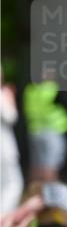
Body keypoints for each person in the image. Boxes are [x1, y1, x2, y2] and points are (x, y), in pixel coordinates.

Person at [23, 68, 67, 182]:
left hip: (34, 130)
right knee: (51, 166)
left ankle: (35, 195)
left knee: (36, 165)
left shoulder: (31, 90)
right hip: (52, 131)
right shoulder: (52, 88)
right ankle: (50, 195)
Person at [1, 68, 24, 215]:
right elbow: (11, 117)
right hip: (4, 148)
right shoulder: (3, 95)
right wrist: (10, 99)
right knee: (14, 184)